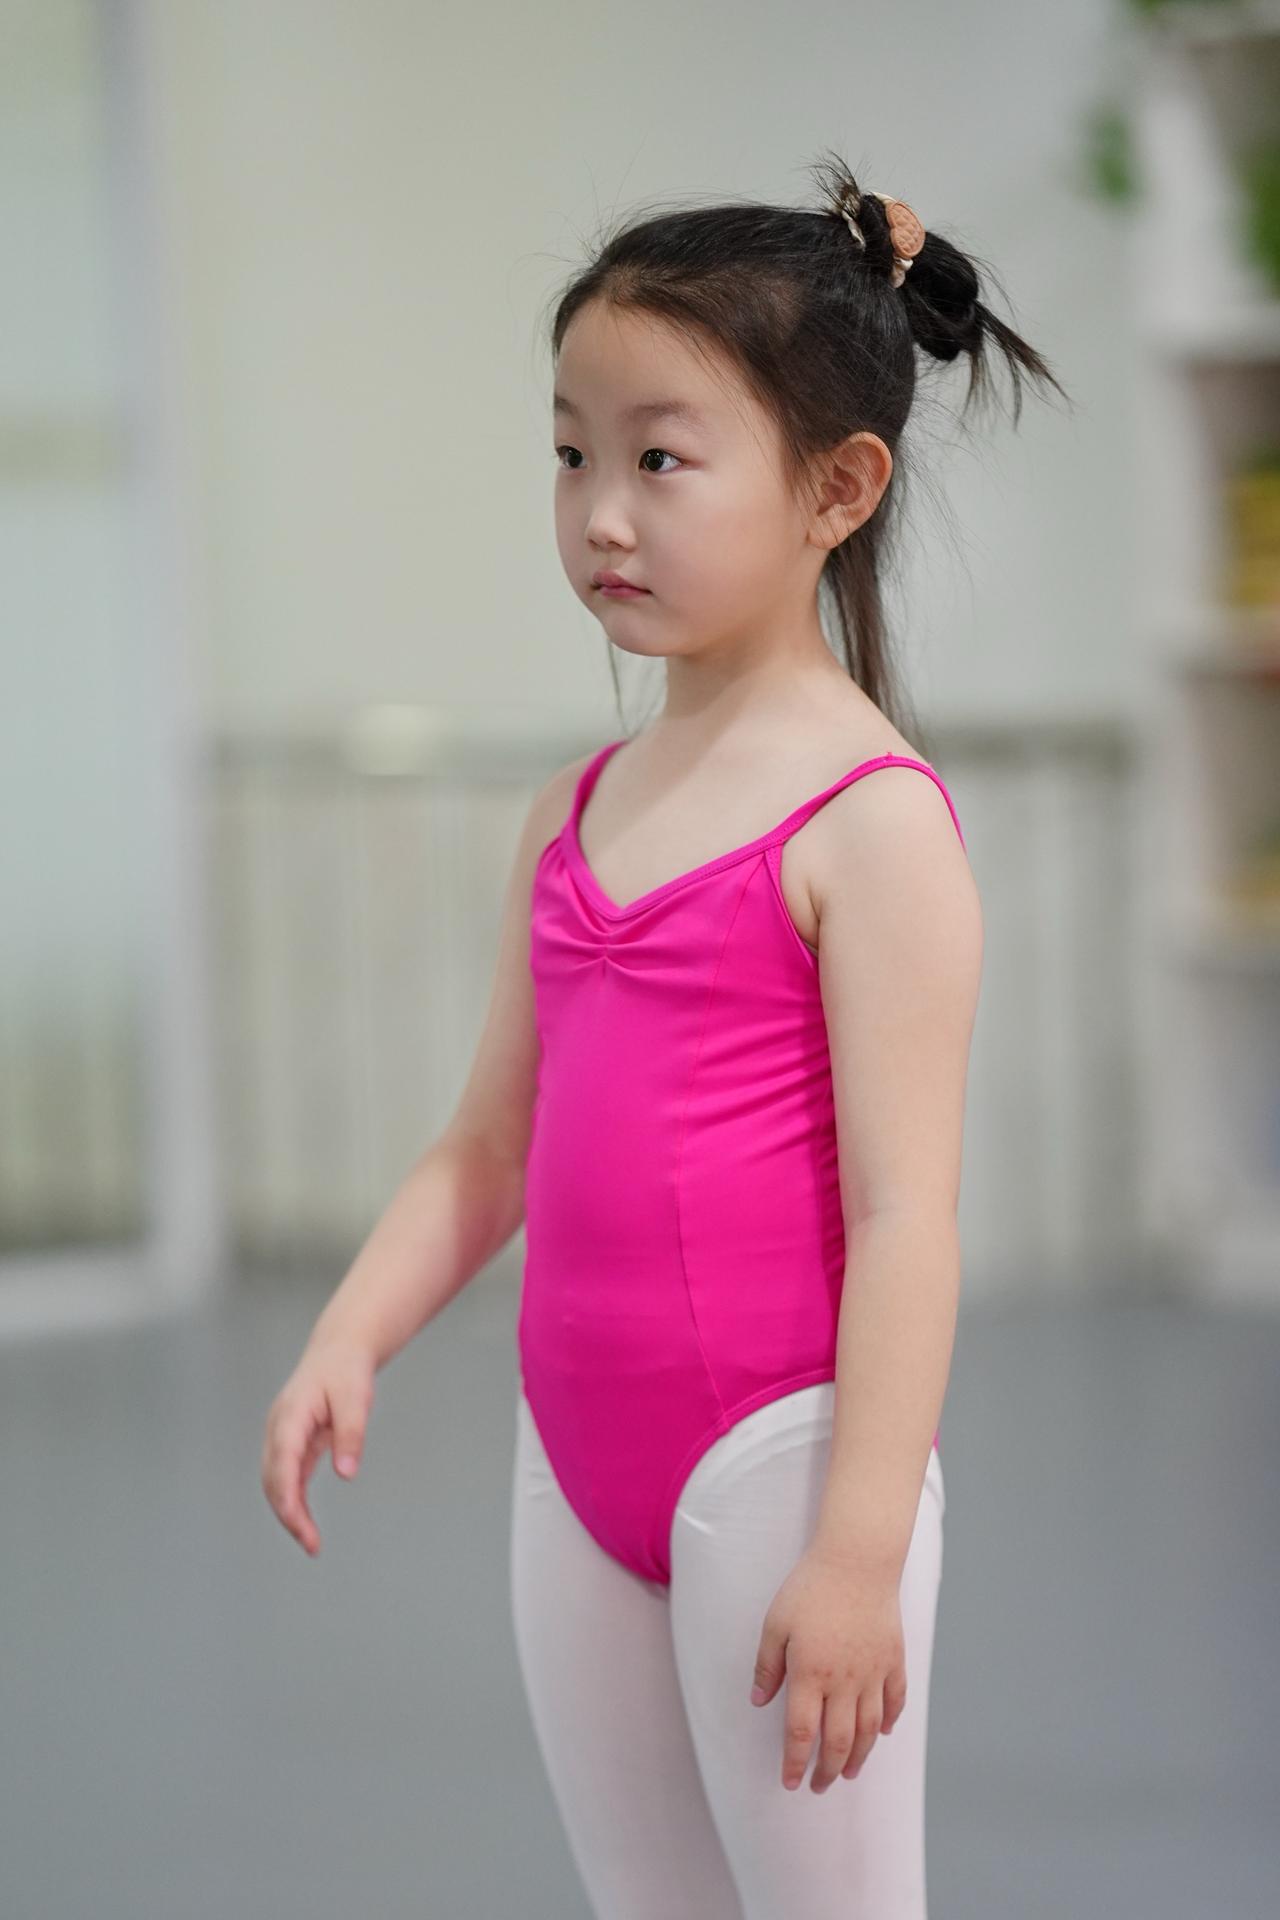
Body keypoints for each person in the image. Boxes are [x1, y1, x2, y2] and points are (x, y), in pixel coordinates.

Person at [261, 151, 1069, 1918]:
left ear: (837, 487)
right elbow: (488, 1149)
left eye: (659, 459)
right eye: (571, 455)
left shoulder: (873, 824)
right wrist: (351, 1331)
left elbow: (908, 1222)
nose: (601, 515)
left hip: (783, 1471)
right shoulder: (572, 810)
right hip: (572, 1470)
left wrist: (859, 1552)